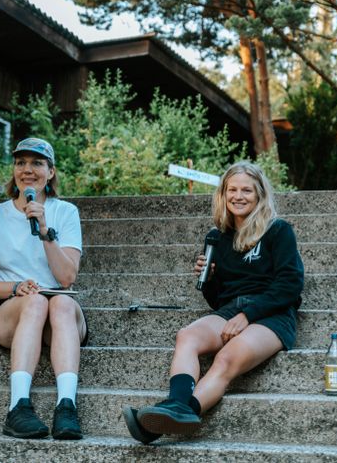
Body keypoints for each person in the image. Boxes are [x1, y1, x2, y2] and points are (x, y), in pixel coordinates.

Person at [122, 161, 304, 444]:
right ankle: (176, 406)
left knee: (226, 358)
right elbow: (218, 299)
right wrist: (209, 279)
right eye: (232, 189)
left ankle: (176, 416)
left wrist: (248, 314)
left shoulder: (277, 231)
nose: (239, 196)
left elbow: (290, 286)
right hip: (230, 309)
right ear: (223, 194)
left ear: (259, 195)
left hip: (272, 314)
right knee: (188, 335)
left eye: (247, 190)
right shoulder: (216, 237)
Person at [0, 137, 87, 440]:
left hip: (60, 313)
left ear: (50, 172)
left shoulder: (66, 212)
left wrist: (46, 231)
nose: (27, 169)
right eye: (20, 162)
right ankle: (18, 407)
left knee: (60, 302)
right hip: (14, 309)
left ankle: (67, 407)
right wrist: (17, 287)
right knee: (36, 302)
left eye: (36, 163)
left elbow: (66, 279)